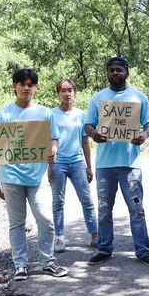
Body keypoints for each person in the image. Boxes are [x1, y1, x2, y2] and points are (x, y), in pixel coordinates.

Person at [0, 68, 67, 281]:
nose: (26, 88)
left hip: (37, 177)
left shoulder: (45, 113)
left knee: (46, 220)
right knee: (17, 223)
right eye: (22, 84)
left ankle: (47, 262)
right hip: (11, 178)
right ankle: (20, 265)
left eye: (31, 84)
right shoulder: (3, 113)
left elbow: (54, 138)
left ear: (36, 88)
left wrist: (53, 150)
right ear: (14, 86)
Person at [84, 56, 149, 267]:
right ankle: (104, 249)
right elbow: (88, 124)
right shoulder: (97, 98)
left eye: (119, 70)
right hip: (105, 164)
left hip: (130, 164)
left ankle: (143, 250)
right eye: (112, 70)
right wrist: (93, 134)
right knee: (105, 209)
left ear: (127, 72)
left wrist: (144, 135)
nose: (115, 73)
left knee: (137, 210)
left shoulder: (138, 97)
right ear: (107, 73)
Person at [49, 79, 98, 252]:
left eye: (70, 90)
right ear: (58, 93)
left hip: (77, 162)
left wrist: (89, 166)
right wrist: (48, 165)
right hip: (57, 163)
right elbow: (47, 141)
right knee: (58, 202)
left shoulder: (81, 115)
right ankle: (59, 237)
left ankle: (94, 235)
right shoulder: (51, 114)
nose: (67, 93)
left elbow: (85, 142)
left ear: (75, 93)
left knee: (87, 200)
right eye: (63, 90)